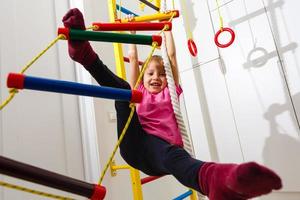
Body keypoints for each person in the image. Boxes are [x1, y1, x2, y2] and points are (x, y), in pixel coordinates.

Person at [62, 8, 282, 200]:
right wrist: (132, 33)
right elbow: (131, 54)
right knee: (123, 91)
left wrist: (167, 30)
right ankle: (84, 54)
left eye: (161, 74)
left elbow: (171, 56)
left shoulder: (171, 92)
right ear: (142, 75)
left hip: (160, 153)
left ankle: (217, 181)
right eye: (150, 73)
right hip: (135, 142)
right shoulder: (139, 90)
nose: (156, 77)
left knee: (175, 156)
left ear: (168, 78)